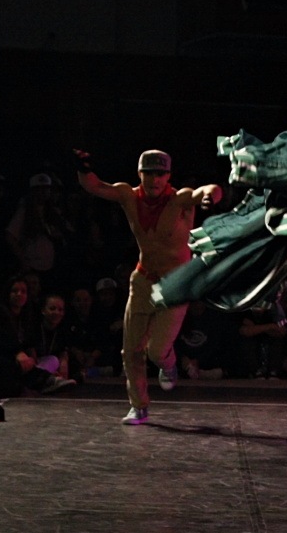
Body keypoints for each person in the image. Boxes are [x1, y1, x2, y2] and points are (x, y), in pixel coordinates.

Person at [73, 149, 221, 424]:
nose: (154, 179)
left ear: (168, 175)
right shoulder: (128, 195)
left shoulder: (179, 199)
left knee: (156, 351)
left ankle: (168, 363)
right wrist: (83, 168)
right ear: (139, 174)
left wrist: (210, 196)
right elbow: (94, 186)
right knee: (131, 349)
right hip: (143, 280)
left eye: (160, 174)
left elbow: (208, 189)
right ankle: (139, 406)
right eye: (149, 173)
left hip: (175, 284)